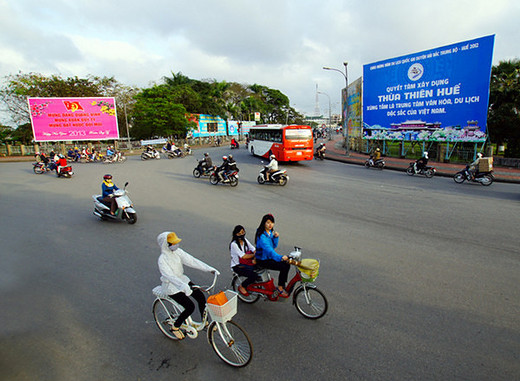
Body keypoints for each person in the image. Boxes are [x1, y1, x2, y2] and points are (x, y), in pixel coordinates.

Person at [157, 231, 219, 340]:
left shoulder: (178, 252)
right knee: (190, 307)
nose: (176, 245)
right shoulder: (162, 260)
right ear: (166, 245)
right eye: (173, 243)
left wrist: (209, 269)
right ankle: (175, 327)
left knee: (200, 297)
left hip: (182, 280)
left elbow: (191, 261)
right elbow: (170, 276)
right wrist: (183, 286)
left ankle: (205, 322)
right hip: (171, 287)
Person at [254, 214, 290, 297]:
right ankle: (280, 288)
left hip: (268, 257)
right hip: (263, 260)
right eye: (268, 222)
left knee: (286, 264)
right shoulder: (262, 236)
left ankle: (282, 285)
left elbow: (273, 246)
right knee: (283, 266)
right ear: (264, 223)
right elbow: (269, 250)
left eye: (272, 223)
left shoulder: (269, 233)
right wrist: (280, 257)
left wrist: (275, 238)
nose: (270, 225)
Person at [229, 225, 257, 296]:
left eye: (243, 232)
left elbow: (253, 249)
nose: (241, 234)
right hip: (238, 266)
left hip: (246, 262)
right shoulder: (234, 244)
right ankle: (242, 286)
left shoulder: (245, 240)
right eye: (239, 233)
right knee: (254, 275)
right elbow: (243, 256)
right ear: (236, 234)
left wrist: (256, 254)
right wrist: (254, 256)